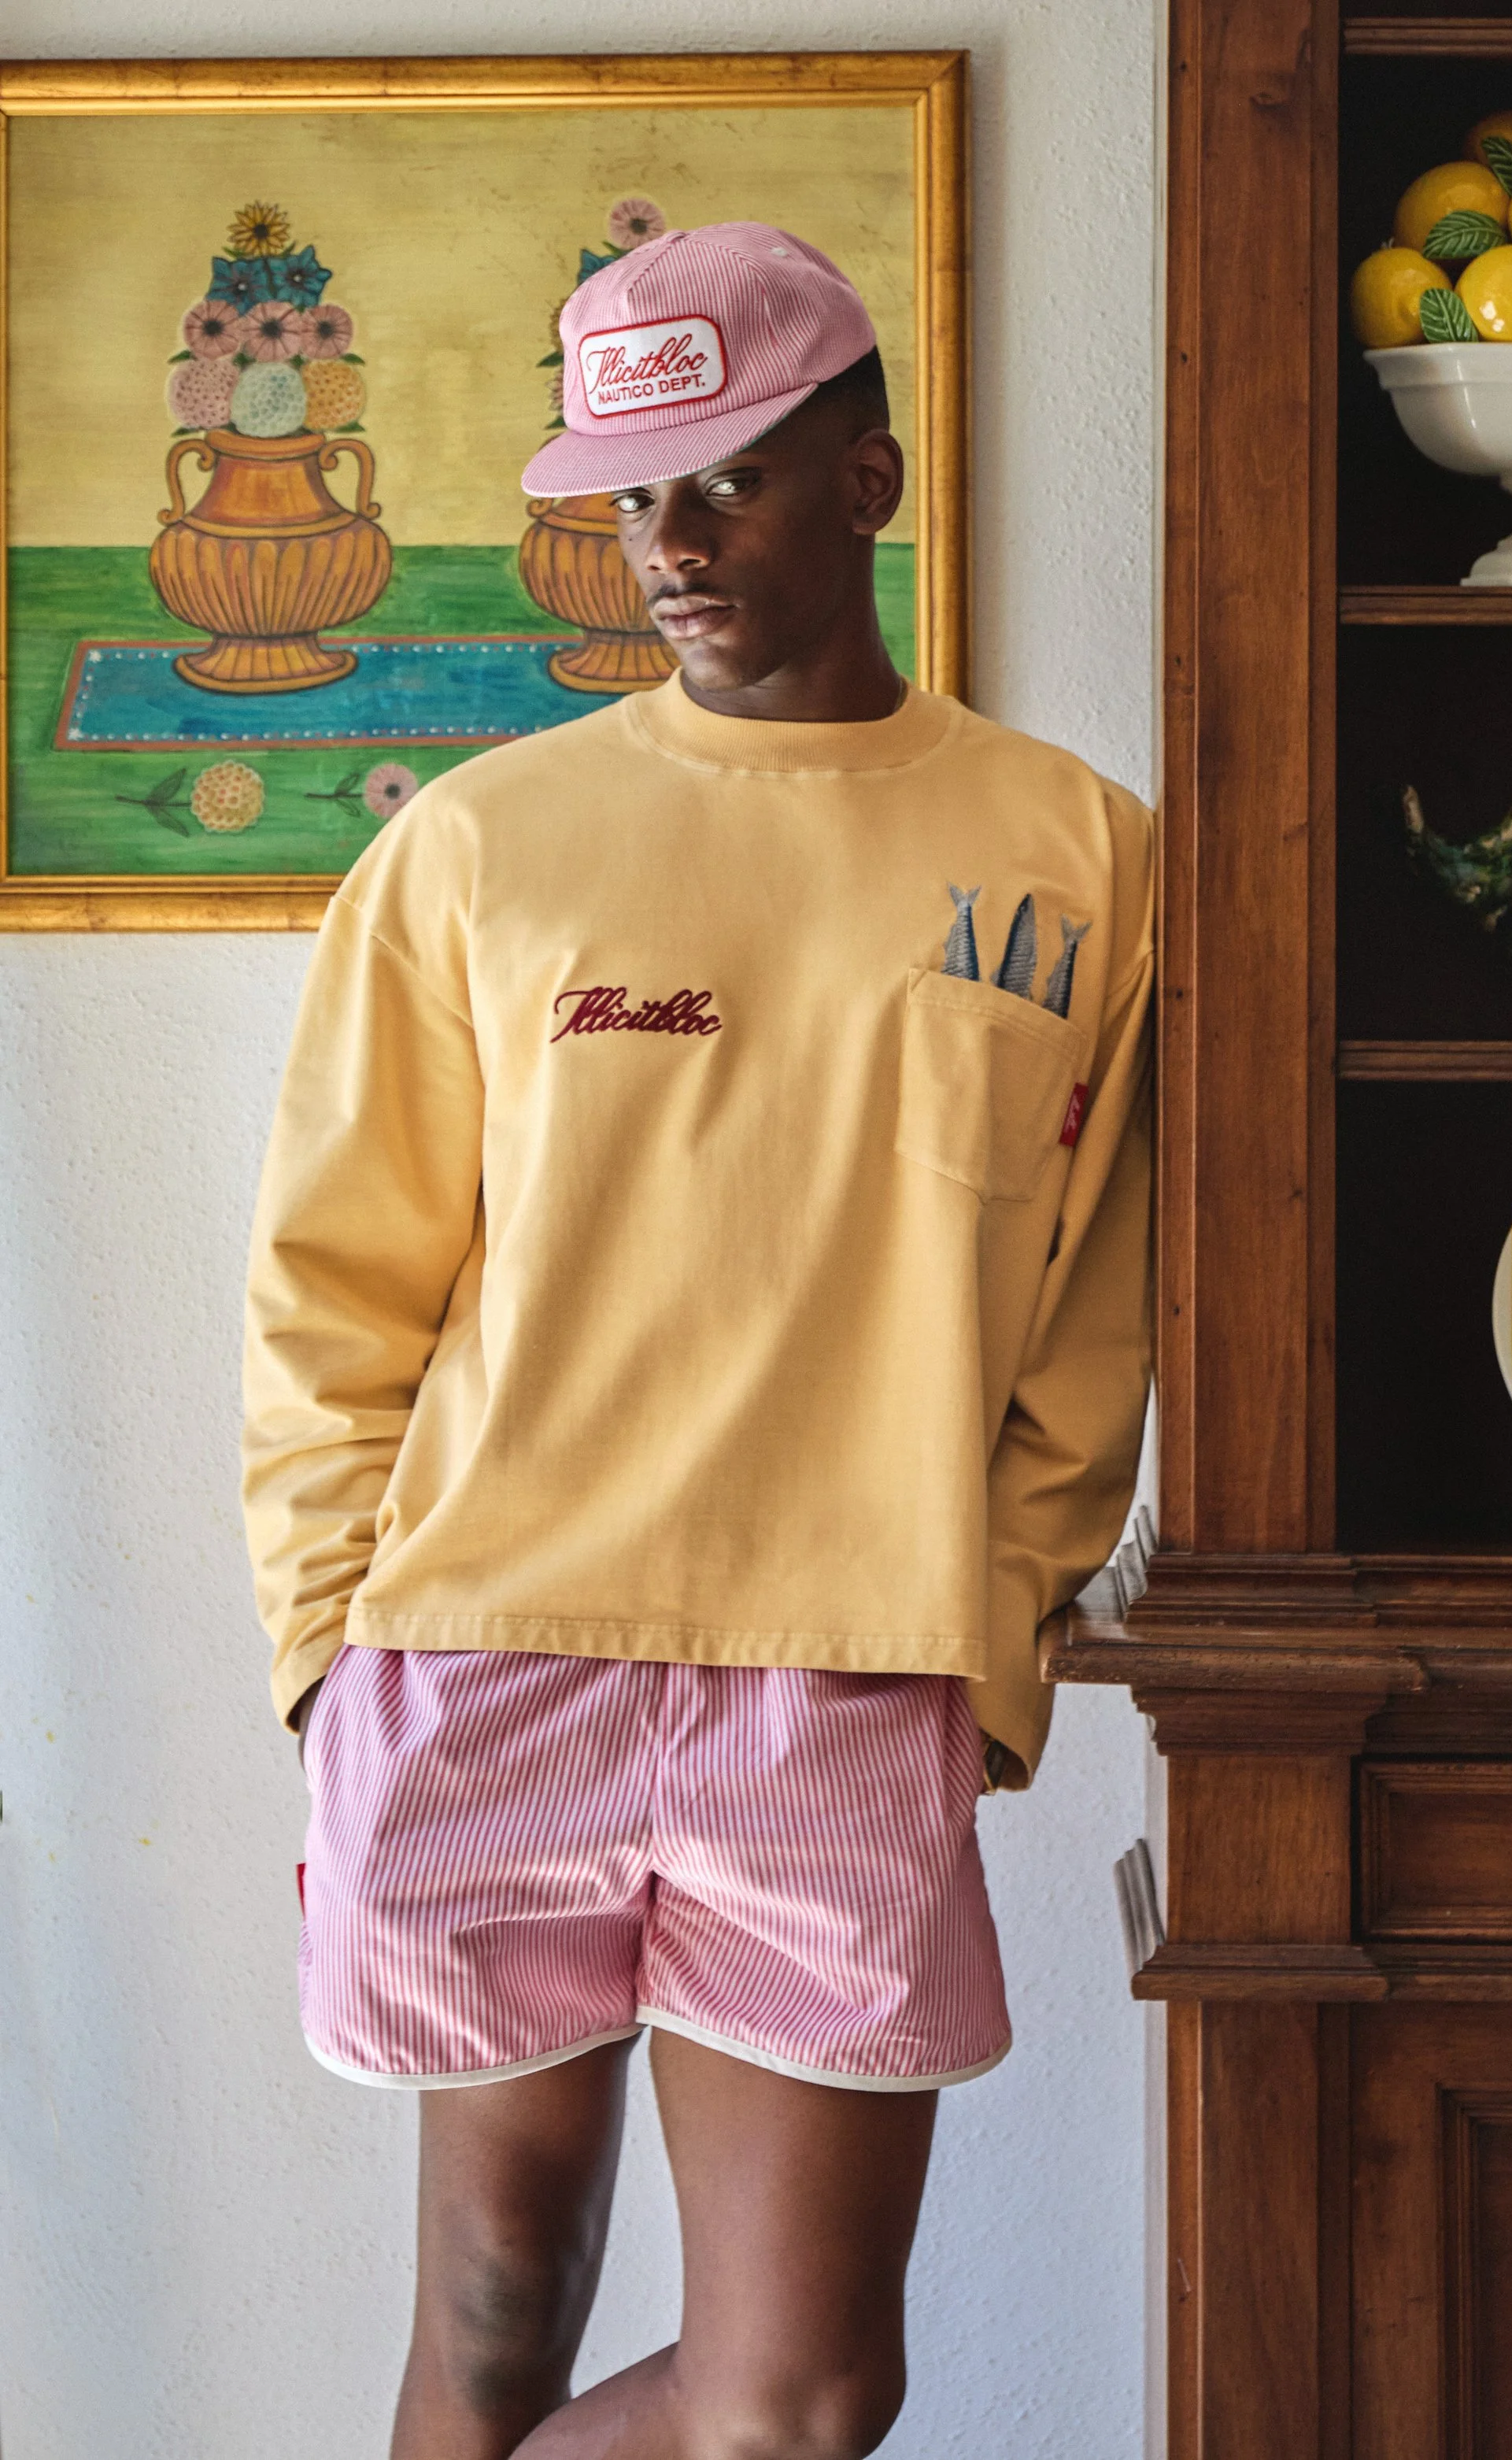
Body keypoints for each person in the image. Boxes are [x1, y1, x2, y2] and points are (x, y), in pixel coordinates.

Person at [242, 221, 1152, 2460]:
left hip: (850, 1673)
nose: (663, 542)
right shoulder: (476, 851)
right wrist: (320, 1641)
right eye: (625, 493)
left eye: (724, 473)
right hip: (482, 1645)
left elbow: (1097, 1313)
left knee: (798, 2396)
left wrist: (998, 1646)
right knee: (489, 2310)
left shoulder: (1080, 857)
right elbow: (337, 1286)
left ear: (868, 472)